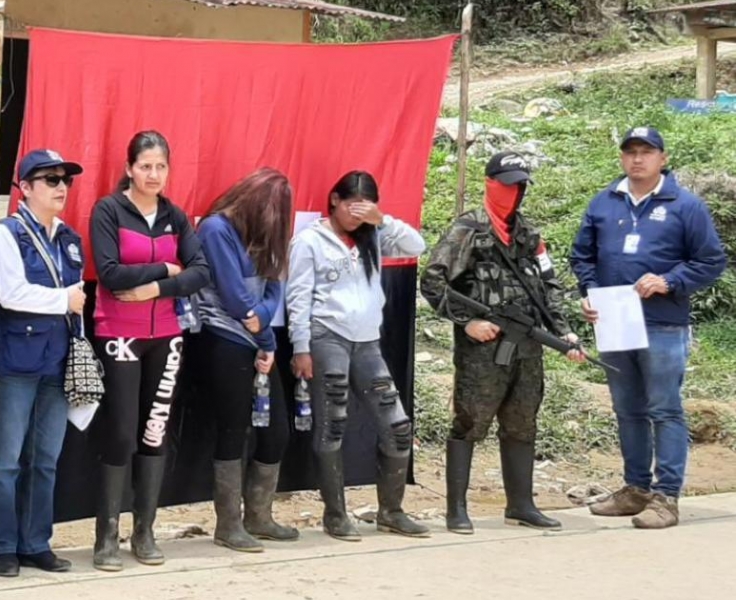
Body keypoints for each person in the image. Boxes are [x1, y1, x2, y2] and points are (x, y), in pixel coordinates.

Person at [569, 127, 727, 529]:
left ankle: (666, 496)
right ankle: (635, 488)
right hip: (615, 321)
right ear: (621, 158)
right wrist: (589, 292)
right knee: (627, 410)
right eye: (630, 152)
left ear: (663, 157)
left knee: (664, 408)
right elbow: (581, 256)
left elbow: (711, 261)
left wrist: (669, 281)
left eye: (646, 152)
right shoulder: (603, 203)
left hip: (662, 323)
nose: (637, 159)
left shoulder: (685, 206)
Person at [421, 152, 585, 536]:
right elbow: (432, 281)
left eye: (519, 186)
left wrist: (564, 331)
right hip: (483, 349)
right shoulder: (467, 229)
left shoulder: (529, 234)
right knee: (469, 421)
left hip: (527, 345)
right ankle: (457, 509)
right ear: (490, 184)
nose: (513, 193)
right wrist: (468, 322)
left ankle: (521, 504)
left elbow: (549, 286)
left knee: (522, 421)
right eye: (507, 185)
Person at [89, 130, 210, 571]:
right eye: (145, 166)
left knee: (154, 432)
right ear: (129, 168)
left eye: (161, 167)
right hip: (119, 332)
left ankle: (144, 532)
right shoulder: (108, 210)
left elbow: (200, 272)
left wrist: (155, 288)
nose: (153, 174)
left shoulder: (176, 217)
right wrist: (164, 267)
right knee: (121, 432)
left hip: (168, 336)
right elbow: (109, 273)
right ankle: (106, 538)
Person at [288, 170, 429, 540]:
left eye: (365, 207)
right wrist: (301, 347)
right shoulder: (309, 241)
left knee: (397, 425)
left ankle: (391, 511)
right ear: (334, 200)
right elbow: (298, 297)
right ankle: (335, 515)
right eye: (352, 205)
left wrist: (382, 221)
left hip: (368, 343)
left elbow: (417, 246)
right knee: (332, 424)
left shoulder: (375, 237)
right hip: (327, 337)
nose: (356, 214)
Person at [0, 150, 87, 577]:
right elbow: (10, 293)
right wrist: (63, 299)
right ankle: (1, 546)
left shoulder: (69, 238)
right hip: (16, 361)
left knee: (45, 458)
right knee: (6, 459)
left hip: (58, 360)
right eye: (49, 179)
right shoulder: (7, 234)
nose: (60, 187)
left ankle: (35, 542)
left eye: (65, 180)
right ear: (24, 188)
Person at [192, 168, 297, 552]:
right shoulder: (216, 230)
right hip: (223, 337)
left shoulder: (266, 236)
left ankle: (259, 515)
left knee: (276, 430)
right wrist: (261, 332)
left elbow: (274, 290)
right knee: (233, 429)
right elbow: (236, 300)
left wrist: (264, 329)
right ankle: (229, 524)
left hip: (258, 338)